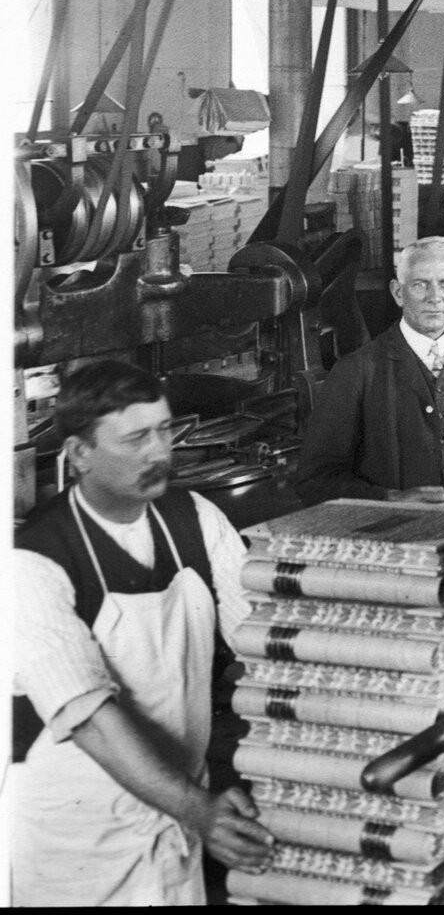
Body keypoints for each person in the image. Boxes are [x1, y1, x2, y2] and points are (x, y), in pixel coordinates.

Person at [11, 361, 274, 904]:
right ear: (79, 454)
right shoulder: (31, 561)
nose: (159, 452)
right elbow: (91, 719)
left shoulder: (195, 519)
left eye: (164, 430)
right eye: (135, 438)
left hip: (175, 813)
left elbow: (259, 645)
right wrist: (198, 808)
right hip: (76, 839)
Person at [295, 236, 444, 508]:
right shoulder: (356, 371)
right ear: (398, 292)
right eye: (420, 285)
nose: (434, 298)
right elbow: (315, 480)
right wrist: (390, 499)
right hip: (392, 534)